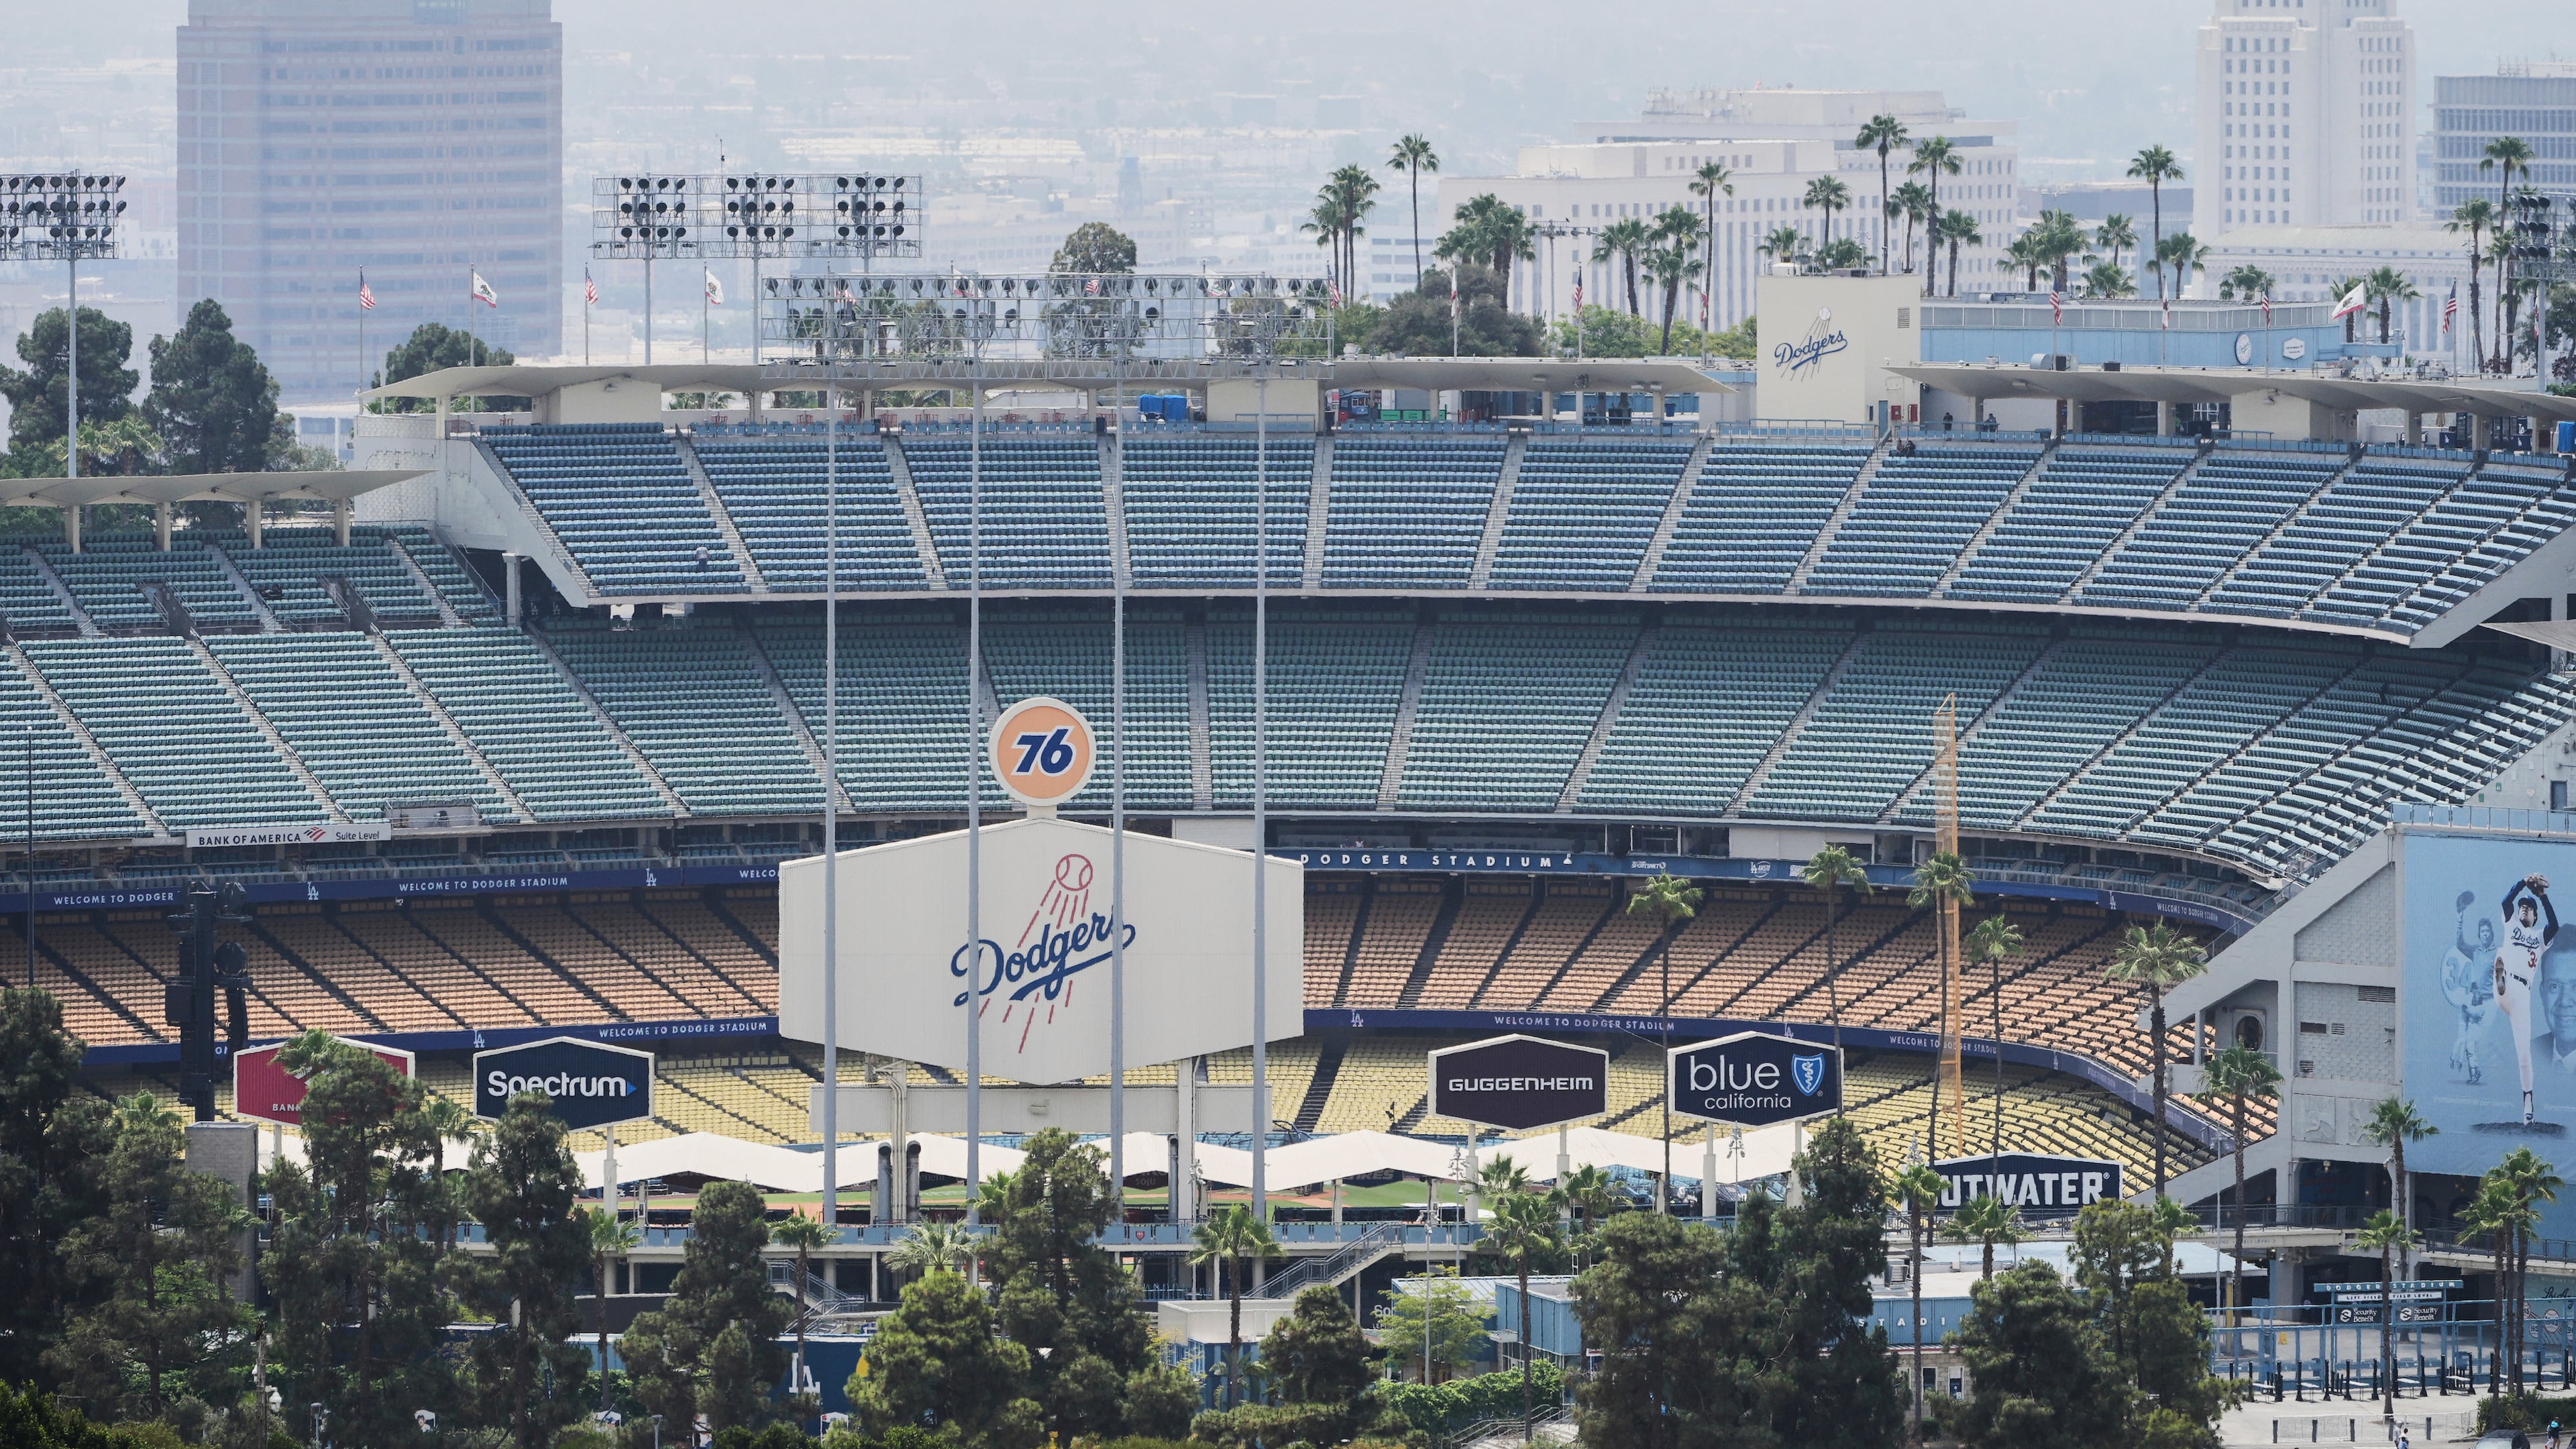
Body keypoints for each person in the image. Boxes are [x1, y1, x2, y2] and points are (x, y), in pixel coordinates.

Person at [2496, 874, 2561, 1125]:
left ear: (2534, 917)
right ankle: (2500, 978)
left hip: (2523, 994)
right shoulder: (2510, 924)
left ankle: (2527, 1103)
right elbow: (2506, 901)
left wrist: (2542, 898)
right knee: (2501, 957)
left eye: (2529, 908)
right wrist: (2524, 881)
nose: (2525, 908)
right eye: (2523, 906)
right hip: (2505, 985)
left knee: (2524, 1054)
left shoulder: (2538, 938)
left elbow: (2554, 925)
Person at [2447, 891, 2498, 1084]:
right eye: (2482, 932)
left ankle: (2472, 1068)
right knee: (2464, 1038)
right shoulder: (2475, 951)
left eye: (2487, 931)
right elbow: (2460, 945)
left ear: (2491, 933)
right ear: (2480, 934)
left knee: (2474, 1041)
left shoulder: (2497, 954)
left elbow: (2501, 981)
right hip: (2472, 999)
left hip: (2487, 1003)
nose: (2485, 934)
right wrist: (2460, 920)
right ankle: (2470, 1069)